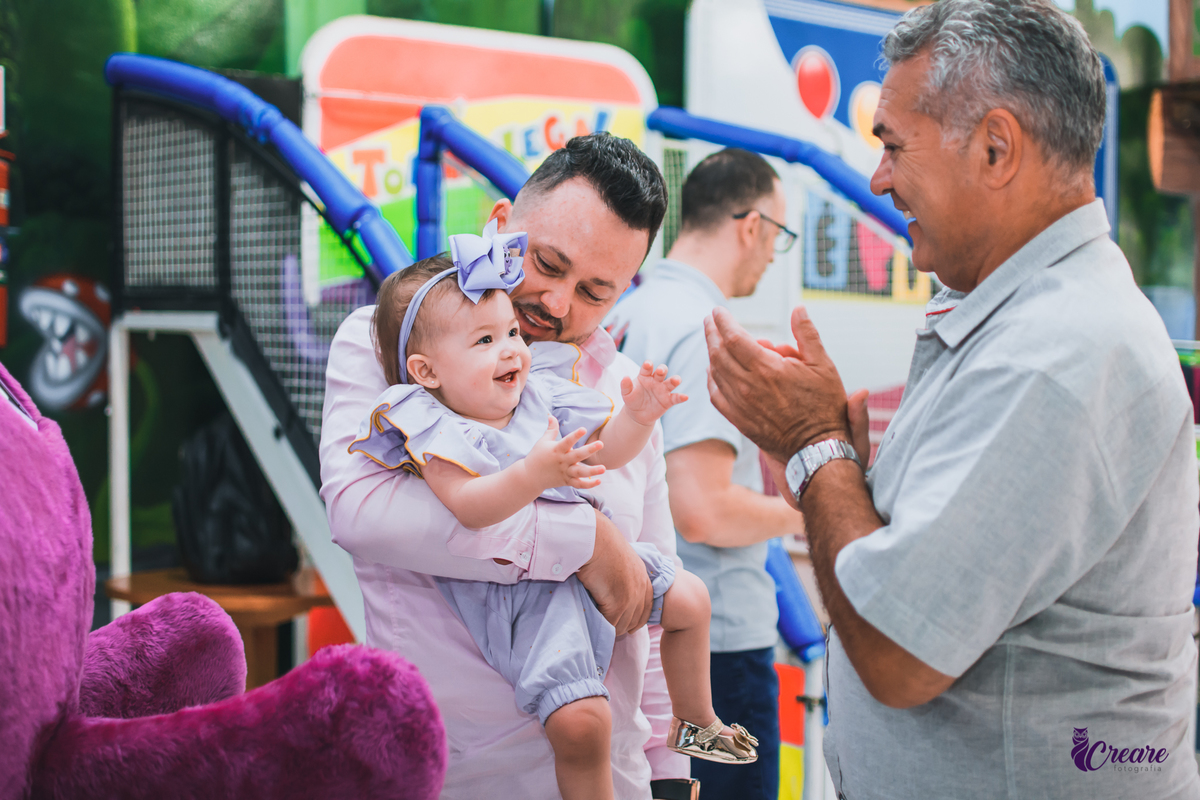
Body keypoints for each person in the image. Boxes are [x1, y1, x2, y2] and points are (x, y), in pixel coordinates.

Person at [702, 1, 1200, 798]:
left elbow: (898, 650)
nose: (879, 178)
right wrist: (839, 468)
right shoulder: (1022, 319)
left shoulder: (1057, 352)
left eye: (894, 146)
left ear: (997, 148)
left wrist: (816, 448)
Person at [320, 133, 693, 798]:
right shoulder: (390, 347)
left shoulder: (625, 392)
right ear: (499, 225)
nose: (557, 303)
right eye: (547, 264)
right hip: (454, 774)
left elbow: (651, 594)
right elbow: (360, 514)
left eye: (594, 291)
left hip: (616, 777)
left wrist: (671, 773)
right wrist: (584, 539)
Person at [348, 246, 758, 800]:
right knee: (583, 722)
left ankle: (695, 721)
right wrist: (533, 474)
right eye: (484, 341)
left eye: (511, 333)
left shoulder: (539, 392)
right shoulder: (435, 427)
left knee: (691, 600)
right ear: (427, 371)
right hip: (525, 597)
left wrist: (638, 417)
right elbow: (469, 507)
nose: (511, 349)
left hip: (592, 566)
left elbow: (605, 451)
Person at [605, 148, 804, 799]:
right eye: (778, 233)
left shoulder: (627, 310)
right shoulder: (703, 329)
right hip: (712, 652)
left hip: (640, 628)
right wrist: (809, 505)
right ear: (752, 226)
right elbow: (704, 510)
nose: (772, 254)